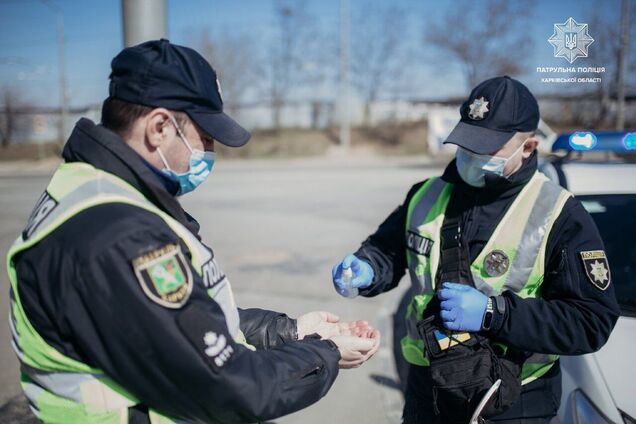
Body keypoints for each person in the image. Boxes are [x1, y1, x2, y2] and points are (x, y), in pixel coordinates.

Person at [6, 39, 380, 424]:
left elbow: (170, 321)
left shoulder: (92, 191)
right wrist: (325, 351)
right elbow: (232, 388)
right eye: (204, 135)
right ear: (160, 127)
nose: (210, 148)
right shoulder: (120, 234)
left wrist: (290, 330)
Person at [332, 76, 620, 423]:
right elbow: (387, 250)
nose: (470, 156)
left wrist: (493, 313)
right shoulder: (425, 194)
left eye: (486, 148)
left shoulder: (560, 215)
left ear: (528, 147)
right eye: (467, 144)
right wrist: (366, 269)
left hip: (512, 401)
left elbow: (591, 321)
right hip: (429, 391)